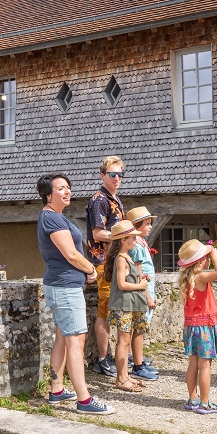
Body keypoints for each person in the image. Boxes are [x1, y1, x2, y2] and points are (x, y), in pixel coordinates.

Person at [36, 173, 115, 415]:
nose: (67, 191)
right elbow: (70, 254)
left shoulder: (57, 217)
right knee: (76, 341)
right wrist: (91, 269)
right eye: (61, 188)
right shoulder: (51, 218)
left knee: (62, 336)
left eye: (68, 187)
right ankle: (84, 399)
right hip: (65, 287)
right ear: (49, 195)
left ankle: (57, 390)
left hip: (63, 285)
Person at [177, 238, 217, 414]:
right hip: (204, 327)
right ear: (200, 261)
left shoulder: (188, 278)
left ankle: (193, 398)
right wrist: (214, 254)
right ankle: (205, 403)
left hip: (191, 326)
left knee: (193, 364)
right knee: (205, 365)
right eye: (206, 257)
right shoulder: (201, 277)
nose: (209, 259)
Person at [85, 156, 126, 377]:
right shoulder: (99, 199)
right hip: (102, 263)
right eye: (113, 174)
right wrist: (123, 237)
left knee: (114, 309)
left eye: (120, 174)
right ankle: (102, 359)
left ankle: (115, 355)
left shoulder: (115, 199)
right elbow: (98, 233)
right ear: (103, 176)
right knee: (105, 310)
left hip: (114, 262)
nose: (117, 178)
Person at [105, 219, 151, 393]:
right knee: (123, 342)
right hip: (124, 305)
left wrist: (141, 279)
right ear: (123, 240)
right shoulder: (121, 260)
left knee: (126, 341)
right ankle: (121, 378)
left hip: (130, 304)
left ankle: (125, 375)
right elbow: (122, 284)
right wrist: (140, 286)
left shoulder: (126, 258)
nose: (135, 240)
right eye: (132, 237)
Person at [125, 206, 159, 380]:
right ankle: (137, 365)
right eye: (147, 224)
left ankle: (139, 362)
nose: (150, 226)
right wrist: (147, 297)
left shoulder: (140, 243)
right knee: (139, 328)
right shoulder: (137, 246)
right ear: (137, 226)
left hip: (145, 291)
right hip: (141, 293)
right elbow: (139, 273)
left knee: (140, 328)